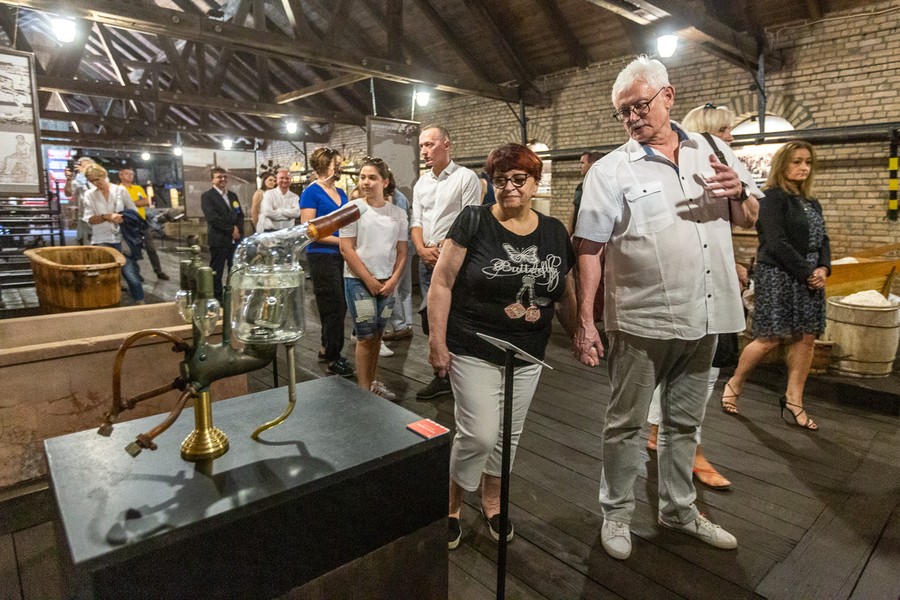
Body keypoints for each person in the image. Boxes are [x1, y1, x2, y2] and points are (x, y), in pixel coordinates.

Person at [572, 55, 760, 560]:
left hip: (706, 314)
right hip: (642, 319)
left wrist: (740, 192)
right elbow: (589, 247)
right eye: (623, 111)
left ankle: (679, 509)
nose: (633, 117)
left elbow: (749, 216)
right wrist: (586, 320)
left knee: (684, 424)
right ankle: (616, 513)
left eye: (640, 105)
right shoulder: (611, 170)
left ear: (668, 96)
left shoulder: (713, 149)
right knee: (626, 424)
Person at [429, 143, 576, 550]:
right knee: (478, 433)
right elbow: (441, 282)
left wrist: (582, 333)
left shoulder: (553, 231)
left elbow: (564, 292)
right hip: (473, 342)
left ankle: (493, 501)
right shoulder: (474, 220)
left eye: (518, 179)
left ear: (535, 183)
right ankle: (451, 505)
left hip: (528, 350)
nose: (509, 187)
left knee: (508, 433)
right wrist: (436, 341)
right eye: (500, 180)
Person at [644, 102, 757, 491]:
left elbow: (740, 219)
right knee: (694, 369)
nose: (730, 136)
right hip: (681, 287)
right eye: (724, 129)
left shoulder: (722, 165)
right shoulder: (682, 161)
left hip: (711, 284)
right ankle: (688, 450)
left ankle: (662, 434)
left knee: (696, 368)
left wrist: (730, 260)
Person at [721, 141, 829, 430]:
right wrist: (808, 271)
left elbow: (823, 239)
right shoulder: (771, 197)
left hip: (809, 276)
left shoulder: (811, 201)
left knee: (806, 338)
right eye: (797, 161)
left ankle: (794, 400)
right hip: (779, 275)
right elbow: (775, 242)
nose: (804, 167)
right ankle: (735, 383)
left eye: (808, 162)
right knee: (769, 338)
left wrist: (823, 268)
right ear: (782, 164)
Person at [411, 125, 481, 399]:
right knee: (430, 319)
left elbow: (470, 219)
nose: (424, 151)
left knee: (454, 318)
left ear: (447, 145)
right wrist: (421, 249)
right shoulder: (421, 183)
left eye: (429, 144)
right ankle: (441, 376)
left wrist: (442, 249)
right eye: (421, 146)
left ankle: (460, 376)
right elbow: (416, 221)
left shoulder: (465, 178)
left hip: (452, 259)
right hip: (427, 257)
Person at [339, 157, 408, 399]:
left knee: (378, 334)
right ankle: (364, 390)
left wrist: (394, 280)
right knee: (365, 335)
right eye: (362, 177)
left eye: (372, 178)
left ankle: (373, 382)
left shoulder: (398, 213)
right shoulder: (352, 209)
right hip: (359, 282)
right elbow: (346, 248)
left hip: (387, 282)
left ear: (385, 182)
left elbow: (402, 251)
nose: (366, 182)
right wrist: (368, 279)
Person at [300, 147, 354, 377]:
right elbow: (309, 230)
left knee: (338, 304)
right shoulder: (311, 193)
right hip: (321, 254)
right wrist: (341, 240)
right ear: (324, 165)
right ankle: (334, 357)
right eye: (336, 163)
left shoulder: (340, 191)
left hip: (341, 254)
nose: (339, 167)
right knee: (334, 304)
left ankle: (326, 346)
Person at [81, 164, 145, 305]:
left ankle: (140, 302)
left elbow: (133, 211)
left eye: (98, 179)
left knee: (130, 273)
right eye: (92, 181)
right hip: (101, 239)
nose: (96, 183)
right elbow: (89, 218)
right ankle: (106, 303)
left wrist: (124, 217)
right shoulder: (90, 194)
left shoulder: (120, 190)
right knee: (104, 275)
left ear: (104, 175)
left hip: (121, 238)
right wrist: (106, 216)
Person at [119, 166, 170, 281]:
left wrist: (130, 203)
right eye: (127, 174)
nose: (130, 176)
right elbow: (121, 205)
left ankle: (158, 271)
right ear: (121, 175)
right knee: (132, 250)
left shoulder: (138, 188)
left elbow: (146, 201)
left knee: (151, 248)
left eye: (131, 174)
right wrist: (137, 202)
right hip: (128, 224)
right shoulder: (118, 189)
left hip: (142, 222)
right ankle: (135, 273)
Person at [200, 167, 244, 301]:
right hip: (219, 239)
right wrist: (231, 230)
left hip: (234, 240)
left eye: (225, 177)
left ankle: (233, 296)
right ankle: (217, 299)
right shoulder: (207, 197)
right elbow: (213, 218)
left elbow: (240, 214)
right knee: (216, 271)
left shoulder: (232, 196)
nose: (223, 179)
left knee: (234, 269)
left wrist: (238, 229)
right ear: (212, 180)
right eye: (219, 177)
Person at [382, 169, 414, 347]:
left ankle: (400, 325)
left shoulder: (392, 198)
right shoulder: (402, 196)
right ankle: (407, 324)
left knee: (393, 286)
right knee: (405, 288)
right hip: (407, 244)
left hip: (397, 246)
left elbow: (393, 226)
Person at [256, 168, 300, 233]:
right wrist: (288, 216)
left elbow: (297, 213)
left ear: (290, 181)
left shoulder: (295, 197)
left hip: (288, 232)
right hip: (270, 232)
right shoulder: (268, 194)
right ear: (277, 180)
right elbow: (267, 212)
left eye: (287, 178)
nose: (284, 180)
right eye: (282, 178)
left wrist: (280, 210)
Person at [570, 151, 603, 233]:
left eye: (582, 163)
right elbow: (575, 211)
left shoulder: (603, 188)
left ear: (592, 164)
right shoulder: (580, 187)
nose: (579, 166)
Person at [65, 157, 96, 246]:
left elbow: (95, 192)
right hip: (83, 217)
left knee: (97, 245)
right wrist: (69, 179)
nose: (82, 169)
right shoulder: (79, 179)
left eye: (85, 167)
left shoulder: (101, 178)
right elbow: (68, 193)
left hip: (97, 216)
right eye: (81, 166)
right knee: (83, 244)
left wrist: (84, 174)